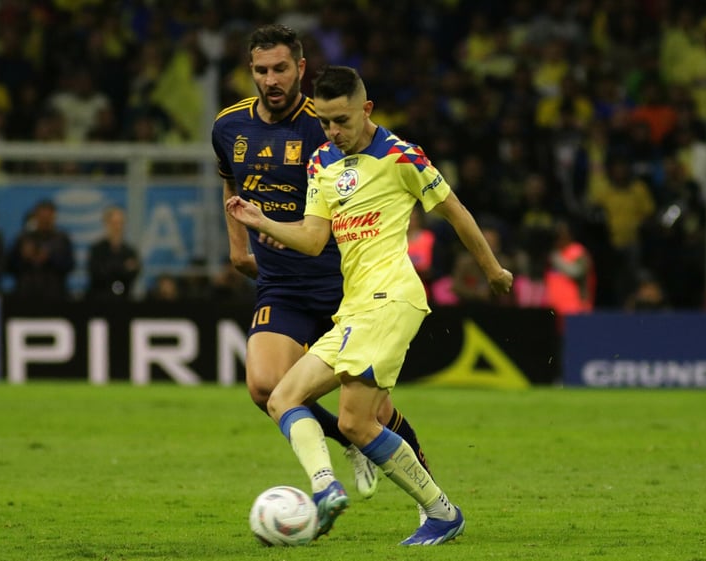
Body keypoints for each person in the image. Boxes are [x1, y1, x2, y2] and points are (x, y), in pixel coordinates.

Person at [225, 65, 513, 545]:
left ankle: (441, 514)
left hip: (392, 298)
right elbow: (314, 239)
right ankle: (326, 488)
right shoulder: (322, 162)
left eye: (342, 120)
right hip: (355, 307)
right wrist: (261, 221)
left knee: (355, 420)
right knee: (282, 399)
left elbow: (454, 211)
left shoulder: (400, 156)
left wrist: (493, 271)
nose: (334, 132)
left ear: (366, 109)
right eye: (325, 122)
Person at [211, 25, 433, 510]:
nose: (271, 79)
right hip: (280, 283)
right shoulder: (229, 126)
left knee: (375, 412)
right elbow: (231, 185)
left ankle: (425, 487)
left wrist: (291, 228)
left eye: (281, 69)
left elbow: (370, 193)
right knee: (263, 386)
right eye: (261, 70)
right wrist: (238, 248)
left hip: (341, 284)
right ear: (251, 71)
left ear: (301, 69)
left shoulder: (329, 122)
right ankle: (348, 445)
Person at [7, 199, 75, 301]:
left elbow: (69, 265)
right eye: (42, 217)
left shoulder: (62, 239)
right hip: (26, 294)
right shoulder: (23, 239)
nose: (45, 220)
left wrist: (50, 258)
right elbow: (9, 266)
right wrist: (24, 257)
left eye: (48, 217)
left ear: (53, 217)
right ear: (36, 216)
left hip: (54, 295)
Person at [86, 206, 141, 301]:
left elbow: (133, 274)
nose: (118, 227)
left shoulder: (130, 251)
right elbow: (97, 275)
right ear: (106, 224)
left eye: (121, 223)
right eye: (114, 223)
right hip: (100, 302)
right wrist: (123, 268)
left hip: (123, 301)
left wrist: (110, 268)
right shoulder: (97, 250)